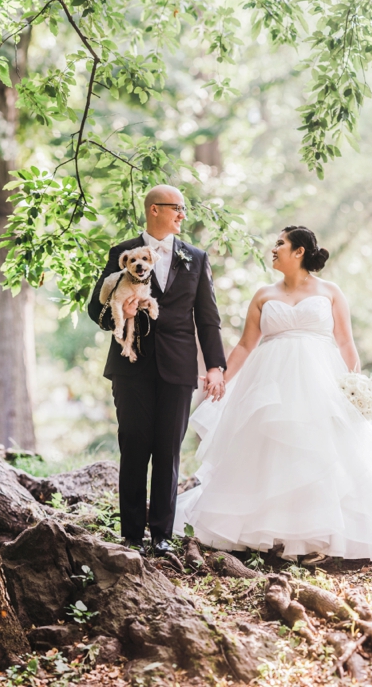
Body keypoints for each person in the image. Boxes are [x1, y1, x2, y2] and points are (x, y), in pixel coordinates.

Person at [174, 225, 372, 562]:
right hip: (270, 384)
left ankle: (319, 537)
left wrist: (355, 387)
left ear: (299, 251)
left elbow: (346, 343)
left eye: (280, 244)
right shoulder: (262, 295)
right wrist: (222, 378)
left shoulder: (330, 291)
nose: (274, 249)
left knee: (320, 453)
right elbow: (244, 345)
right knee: (269, 452)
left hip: (320, 383)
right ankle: (268, 534)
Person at [89, 185, 226, 556]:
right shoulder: (122, 252)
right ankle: (131, 535)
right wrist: (123, 315)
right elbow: (96, 309)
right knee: (134, 446)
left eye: (184, 208)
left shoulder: (195, 258)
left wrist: (215, 365)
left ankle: (162, 535)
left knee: (168, 450)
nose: (183, 214)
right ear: (154, 210)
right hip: (130, 365)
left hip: (179, 367)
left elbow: (208, 318)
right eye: (177, 208)